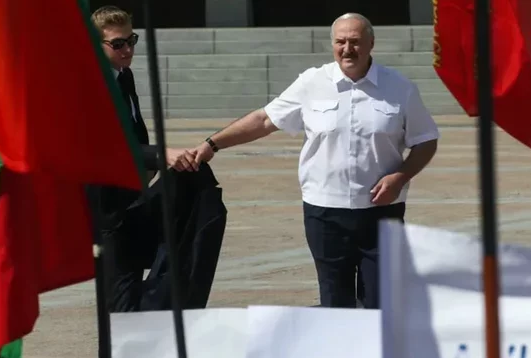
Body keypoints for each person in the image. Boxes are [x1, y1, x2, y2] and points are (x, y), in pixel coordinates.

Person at [187, 12, 439, 309]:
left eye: (355, 42)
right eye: (341, 42)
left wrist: (401, 176)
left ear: (371, 43)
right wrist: (213, 144)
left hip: (382, 210)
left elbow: (426, 139)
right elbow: (264, 120)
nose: (347, 49)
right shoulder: (312, 82)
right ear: (332, 44)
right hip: (325, 213)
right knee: (334, 300)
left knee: (380, 301)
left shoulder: (399, 87)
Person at [87, 6, 227, 358]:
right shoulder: (91, 87)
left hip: (131, 203)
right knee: (119, 308)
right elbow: (106, 148)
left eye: (131, 40)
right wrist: (160, 155)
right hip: (106, 216)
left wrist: (158, 165)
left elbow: (136, 135)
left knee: (195, 186)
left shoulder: (124, 76)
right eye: (118, 44)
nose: (128, 50)